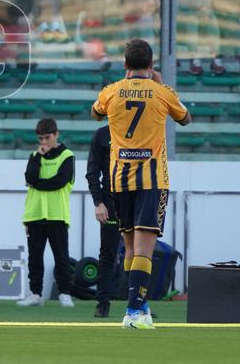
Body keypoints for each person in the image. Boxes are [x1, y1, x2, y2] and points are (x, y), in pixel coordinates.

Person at [91, 39, 192, 329]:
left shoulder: (111, 91)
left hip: (119, 180)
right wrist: (161, 84)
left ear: (125, 65)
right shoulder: (161, 93)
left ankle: (141, 306)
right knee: (144, 249)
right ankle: (134, 312)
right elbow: (185, 118)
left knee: (129, 247)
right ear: (151, 65)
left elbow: (95, 113)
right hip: (151, 180)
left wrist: (122, 87)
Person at [16, 118, 75, 309]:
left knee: (61, 257)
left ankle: (65, 294)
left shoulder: (67, 156)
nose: (43, 143)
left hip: (57, 214)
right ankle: (35, 294)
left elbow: (59, 181)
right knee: (35, 257)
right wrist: (38, 158)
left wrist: (36, 184)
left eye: (47, 138)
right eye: (40, 138)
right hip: (34, 214)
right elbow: (29, 177)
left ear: (56, 134)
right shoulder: (35, 155)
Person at [86, 125, 119, 318]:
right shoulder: (101, 134)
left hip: (134, 202)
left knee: (138, 252)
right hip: (110, 204)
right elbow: (93, 171)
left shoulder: (139, 131)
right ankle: (102, 304)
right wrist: (98, 202)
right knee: (108, 254)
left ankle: (140, 304)